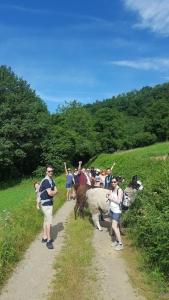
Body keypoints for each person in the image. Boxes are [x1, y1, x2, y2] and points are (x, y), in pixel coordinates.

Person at [39, 165, 57, 249]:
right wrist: (55, 192)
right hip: (46, 204)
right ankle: (49, 241)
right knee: (49, 221)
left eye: (52, 171)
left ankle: (44, 237)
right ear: (46, 172)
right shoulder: (46, 181)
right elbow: (51, 193)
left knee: (46, 220)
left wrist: (54, 191)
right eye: (49, 171)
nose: (51, 172)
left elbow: (55, 189)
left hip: (47, 203)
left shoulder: (51, 180)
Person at [108, 176, 124, 251]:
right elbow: (109, 195)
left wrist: (111, 198)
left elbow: (119, 201)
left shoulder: (119, 190)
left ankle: (120, 244)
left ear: (117, 182)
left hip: (117, 211)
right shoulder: (112, 189)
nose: (113, 183)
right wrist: (108, 195)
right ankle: (117, 241)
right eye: (112, 182)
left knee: (114, 227)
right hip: (112, 209)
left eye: (114, 182)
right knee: (115, 226)